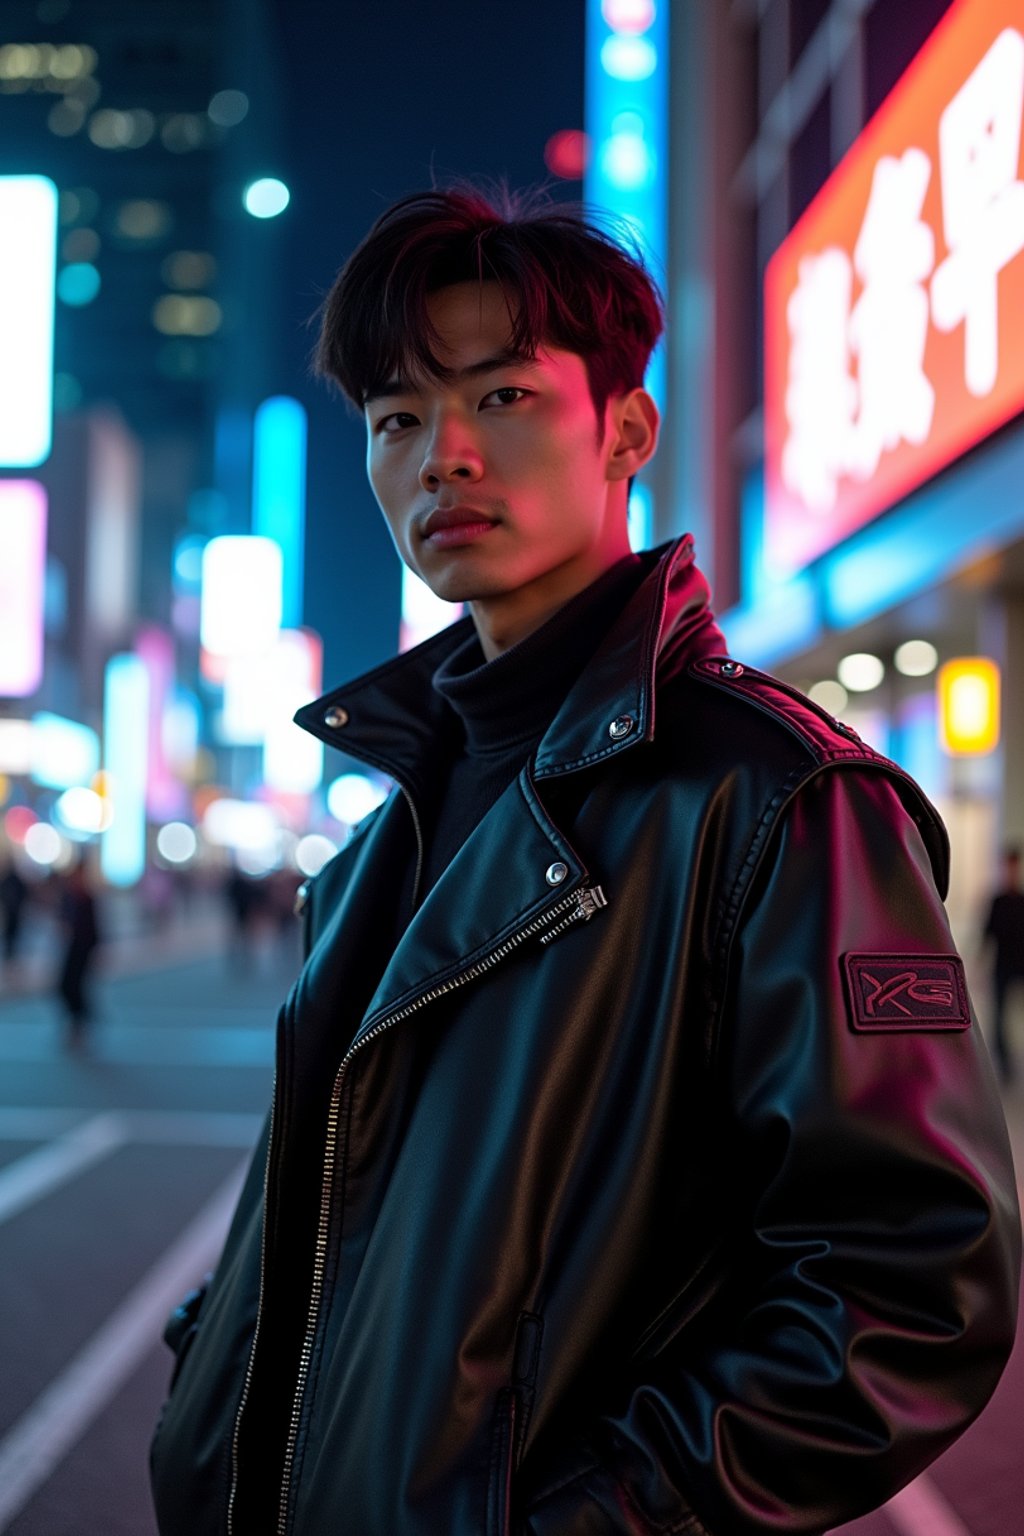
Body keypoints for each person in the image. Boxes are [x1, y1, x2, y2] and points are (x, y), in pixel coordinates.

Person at [150, 186, 1021, 1536]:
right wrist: (219, 1369)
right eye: (396, 420)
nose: (442, 456)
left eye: (499, 398)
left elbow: (913, 1286)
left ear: (626, 427)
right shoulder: (387, 834)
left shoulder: (773, 795)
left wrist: (597, 1515)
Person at [982, 844, 1024, 1083]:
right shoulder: (997, 901)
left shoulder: (1021, 902)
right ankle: (1005, 1062)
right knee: (998, 1015)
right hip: (1002, 965)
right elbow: (987, 933)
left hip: (1020, 964)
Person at [55, 858, 101, 1049]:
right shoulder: (70, 896)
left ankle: (81, 1021)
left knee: (76, 985)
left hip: (83, 947)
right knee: (66, 985)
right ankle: (79, 1019)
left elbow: (95, 927)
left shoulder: (86, 898)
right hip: (72, 945)